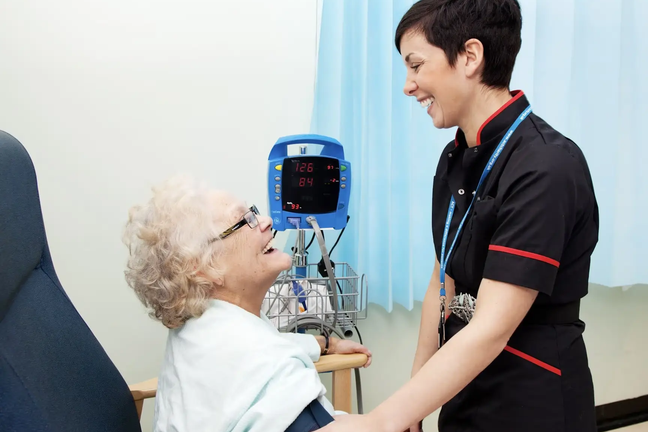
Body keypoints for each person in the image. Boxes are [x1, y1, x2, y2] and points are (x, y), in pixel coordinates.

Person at [319, 0, 598, 431]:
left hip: (531, 397)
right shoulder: (456, 155)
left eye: (416, 65)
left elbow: (490, 327)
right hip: (464, 384)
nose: (408, 86)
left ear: (470, 56)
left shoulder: (545, 166)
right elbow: (442, 282)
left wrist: (381, 420)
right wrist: (415, 401)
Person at [122, 175, 372, 432]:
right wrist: (411, 396)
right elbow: (262, 356)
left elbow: (265, 347)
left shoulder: (204, 328)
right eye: (244, 220)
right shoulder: (264, 363)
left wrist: (327, 343)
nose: (267, 221)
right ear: (204, 268)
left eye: (254, 212)